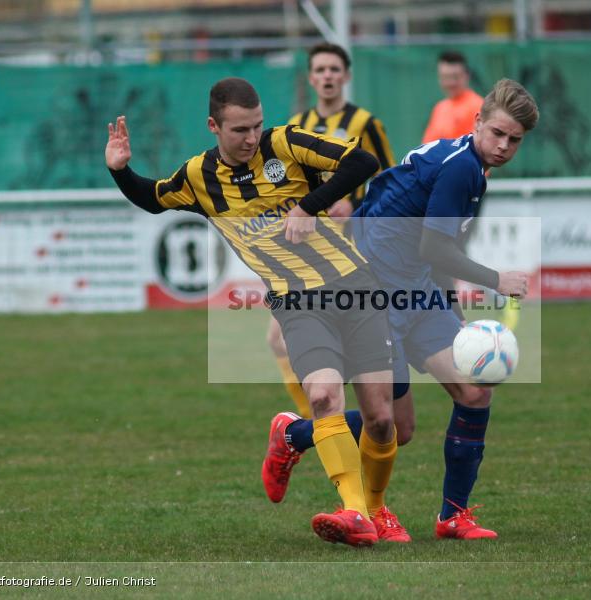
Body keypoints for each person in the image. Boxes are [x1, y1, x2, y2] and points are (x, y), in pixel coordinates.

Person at [104, 77, 398, 548]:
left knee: (383, 419)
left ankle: (380, 509)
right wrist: (121, 171)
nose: (251, 138)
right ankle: (356, 512)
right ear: (213, 126)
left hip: (355, 287)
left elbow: (364, 161)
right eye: (240, 129)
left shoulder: (285, 143)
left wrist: (308, 205)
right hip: (297, 301)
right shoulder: (199, 176)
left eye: (256, 126)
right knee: (324, 397)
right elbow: (153, 197)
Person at [263, 78, 539, 540]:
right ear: (477, 123)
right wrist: (497, 280)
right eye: (497, 133)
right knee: (394, 425)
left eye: (514, 139)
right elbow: (435, 246)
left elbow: (429, 245)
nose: (504, 145)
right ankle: (298, 438)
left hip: (416, 290)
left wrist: (448, 306)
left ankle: (454, 516)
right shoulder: (461, 168)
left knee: (474, 393)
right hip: (373, 294)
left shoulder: (470, 166)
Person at [268, 42, 396, 421]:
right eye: (320, 70)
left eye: (334, 70)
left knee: (354, 344)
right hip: (307, 249)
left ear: (346, 76)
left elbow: (389, 181)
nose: (327, 76)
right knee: (277, 340)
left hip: (354, 252)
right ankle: (317, 419)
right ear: (310, 78)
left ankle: (330, 421)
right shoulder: (295, 126)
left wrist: (355, 206)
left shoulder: (367, 124)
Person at [421, 51, 483, 144]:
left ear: (467, 76)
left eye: (455, 77)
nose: (451, 83)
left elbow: (476, 146)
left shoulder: (478, 106)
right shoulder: (440, 108)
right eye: (445, 77)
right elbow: (427, 146)